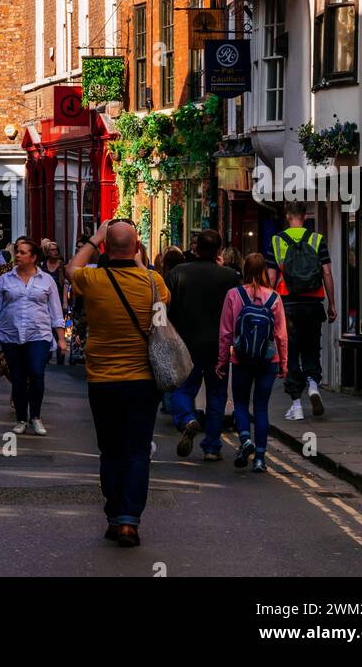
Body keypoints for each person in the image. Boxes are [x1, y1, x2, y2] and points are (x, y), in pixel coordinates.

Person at [67, 219, 168, 548]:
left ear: (106, 248)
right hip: (143, 382)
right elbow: (160, 317)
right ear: (138, 248)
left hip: (103, 382)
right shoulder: (154, 282)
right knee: (137, 451)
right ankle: (129, 520)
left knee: (110, 451)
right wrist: (138, 260)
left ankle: (114, 516)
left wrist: (96, 239)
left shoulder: (93, 279)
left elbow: (71, 268)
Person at [165, 228, 237, 461]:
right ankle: (212, 448)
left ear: (195, 247)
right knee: (216, 397)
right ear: (218, 250)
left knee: (181, 389)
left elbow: (163, 310)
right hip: (219, 347)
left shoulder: (177, 272)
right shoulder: (230, 276)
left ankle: (187, 418)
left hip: (185, 345)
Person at [0, 237, 65, 436]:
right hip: (11, 334)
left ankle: (35, 416)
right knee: (18, 377)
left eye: (22, 252)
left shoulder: (46, 280)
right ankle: (21, 418)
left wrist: (61, 338)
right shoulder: (5, 279)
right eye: (17, 252)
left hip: (39, 334)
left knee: (37, 372)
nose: (17, 255)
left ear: (33, 257)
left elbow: (55, 312)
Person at [217, 253, 288, 473]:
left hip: (242, 358)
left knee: (240, 403)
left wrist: (221, 361)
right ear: (264, 271)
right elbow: (281, 335)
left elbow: (226, 333)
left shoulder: (233, 295)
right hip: (268, 360)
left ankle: (245, 439)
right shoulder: (274, 297)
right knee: (261, 408)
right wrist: (284, 363)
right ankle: (260, 459)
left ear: (245, 270)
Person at [267, 205, 336, 420]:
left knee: (290, 354)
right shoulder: (317, 240)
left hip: (287, 305)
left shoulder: (277, 241)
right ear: (305, 217)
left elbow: (270, 277)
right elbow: (326, 272)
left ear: (287, 216)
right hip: (313, 304)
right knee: (312, 348)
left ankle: (296, 405)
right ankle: (313, 385)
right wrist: (332, 303)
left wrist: (269, 308)